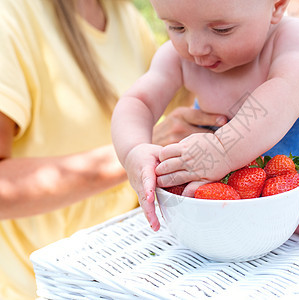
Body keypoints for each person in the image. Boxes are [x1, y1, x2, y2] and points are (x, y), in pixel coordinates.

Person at [111, 0, 299, 239]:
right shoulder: (176, 58)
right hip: (238, 171)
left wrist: (223, 149)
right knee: (196, 184)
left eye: (221, 29)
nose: (195, 47)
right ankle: (252, 203)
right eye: (176, 27)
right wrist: (134, 150)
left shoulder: (294, 37)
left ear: (276, 7)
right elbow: (138, 102)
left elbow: (286, 92)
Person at [0, 0, 228, 299]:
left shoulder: (125, 17)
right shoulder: (11, 18)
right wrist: (135, 155)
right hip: (41, 285)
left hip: (123, 275)